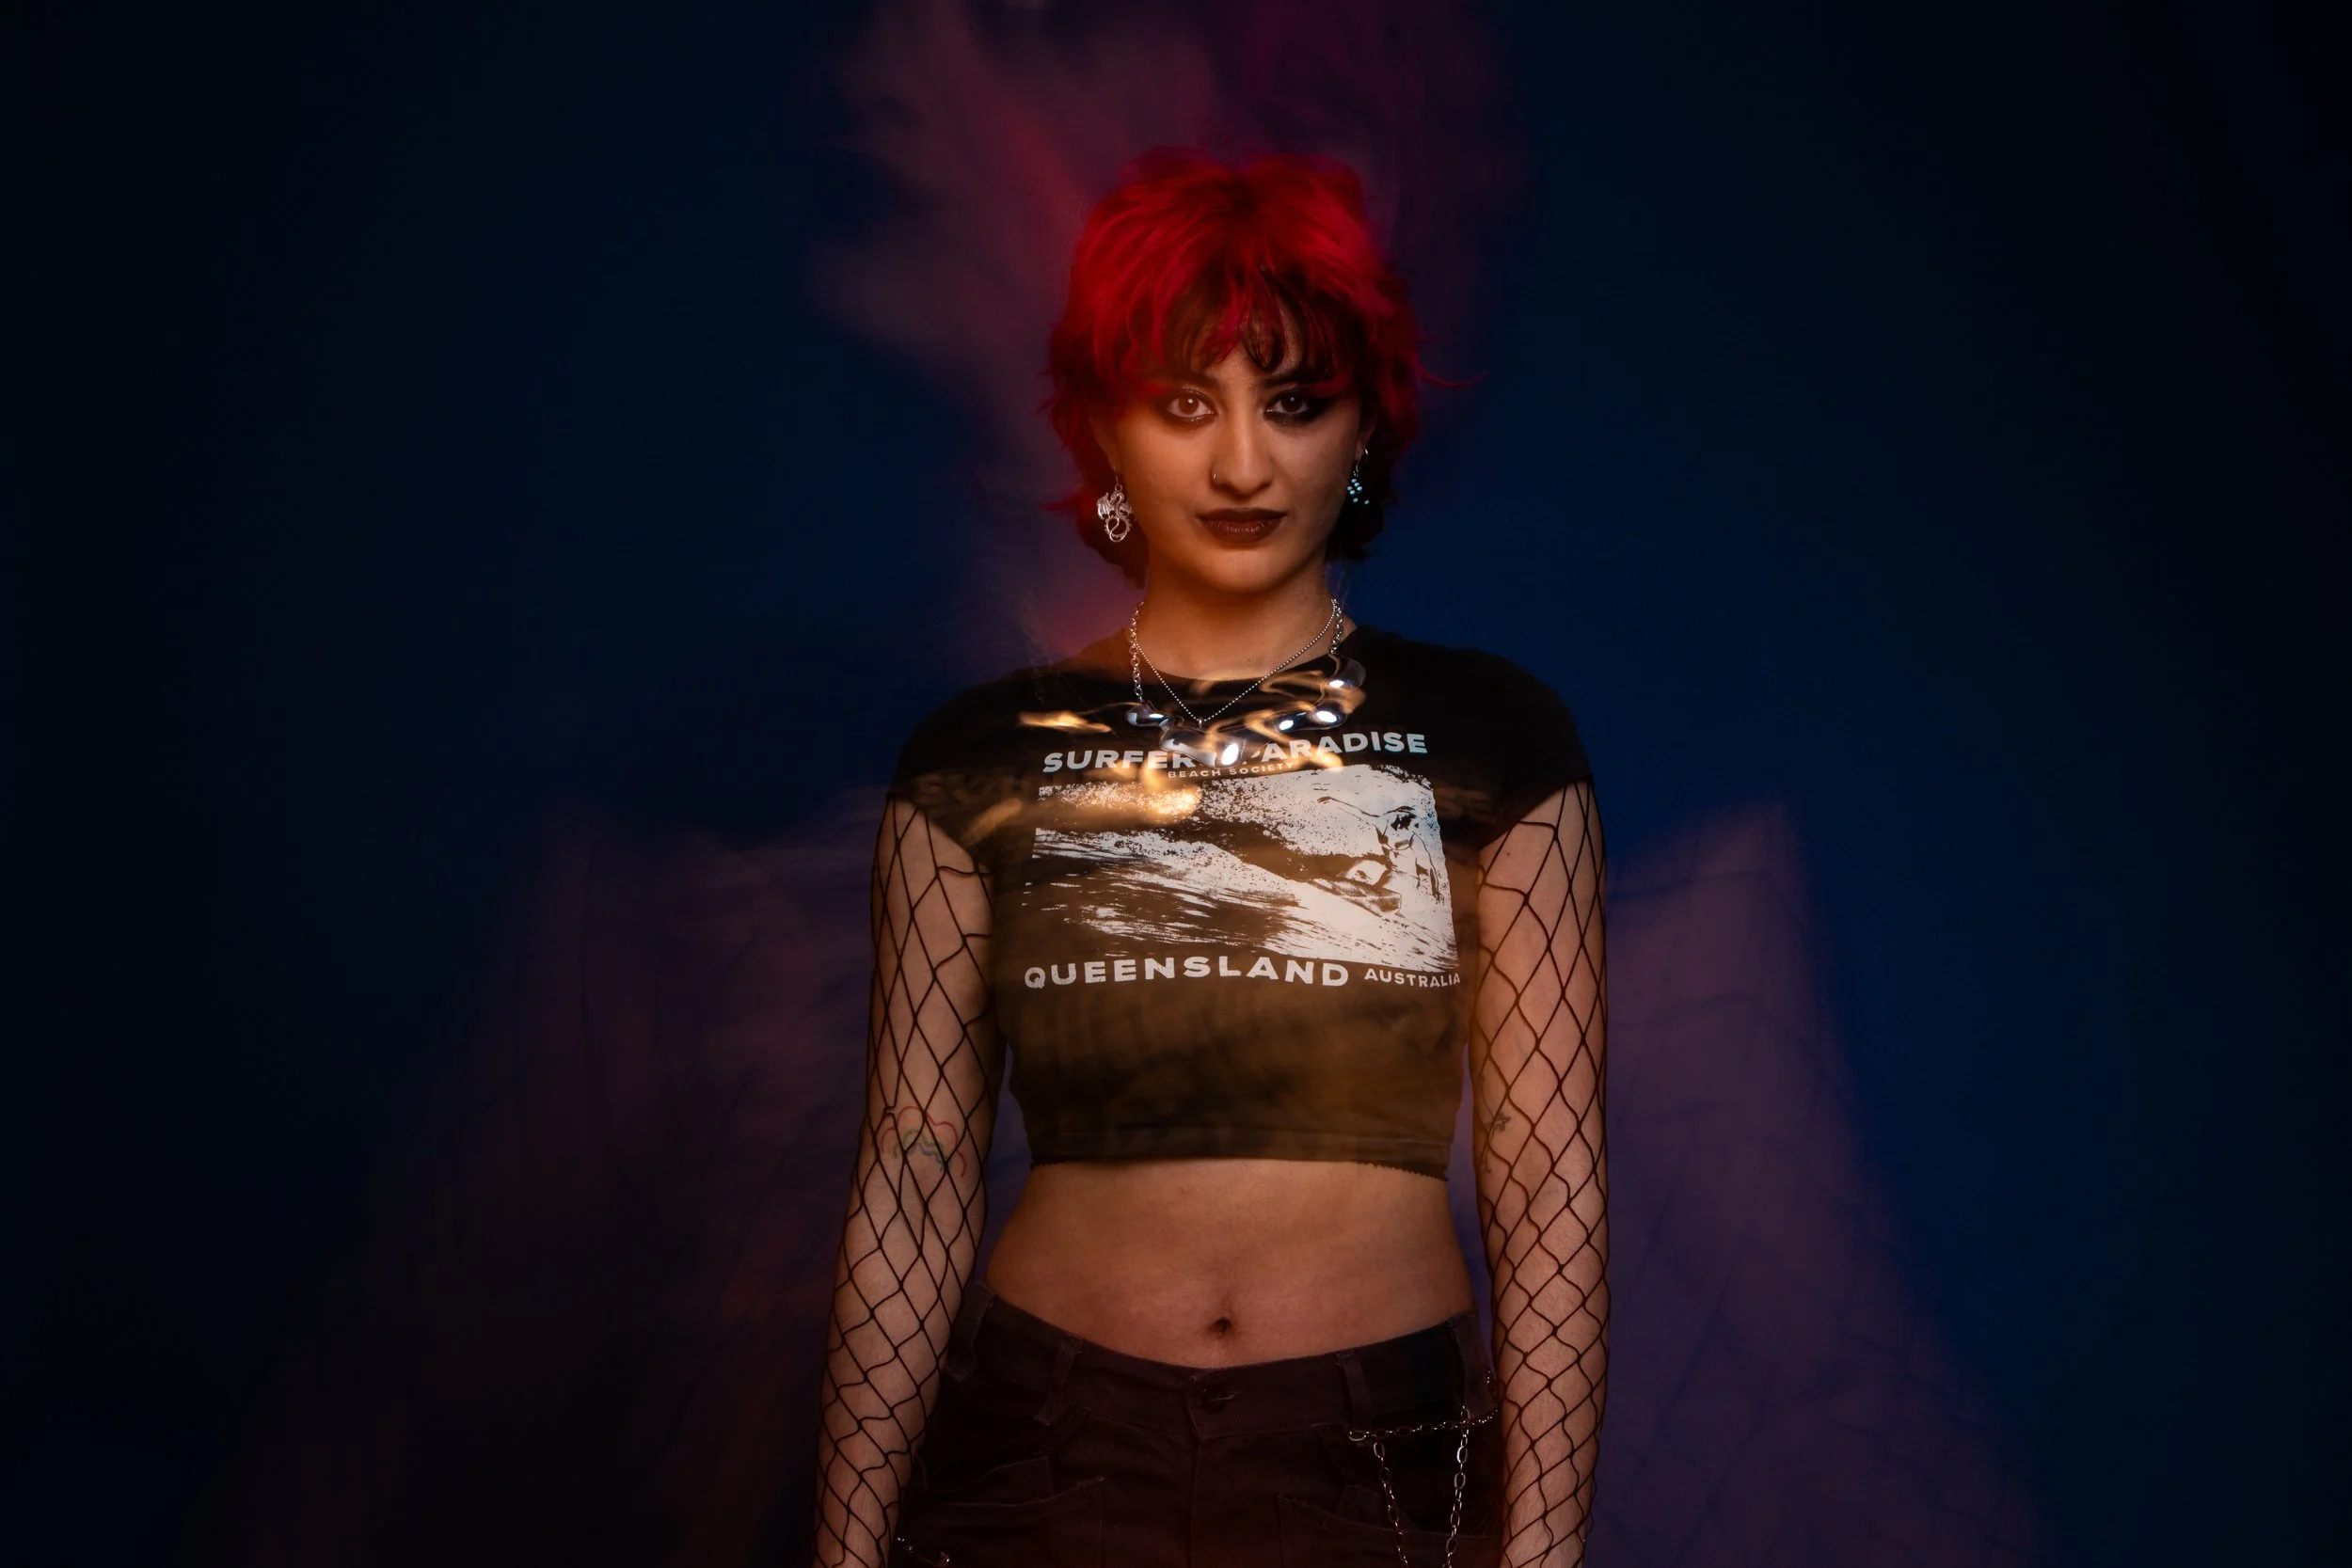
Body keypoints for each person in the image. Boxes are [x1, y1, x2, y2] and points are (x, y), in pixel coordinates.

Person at [812, 150, 1607, 1568]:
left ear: (1362, 427)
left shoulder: (1495, 735)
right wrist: (845, 1552)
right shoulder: (978, 755)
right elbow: (912, 1179)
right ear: (1105, 429)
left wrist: (1540, 1557)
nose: (1243, 463)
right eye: (1186, 403)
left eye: (1294, 402)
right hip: (1043, 1452)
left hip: (1377, 1469)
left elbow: (1549, 1182)